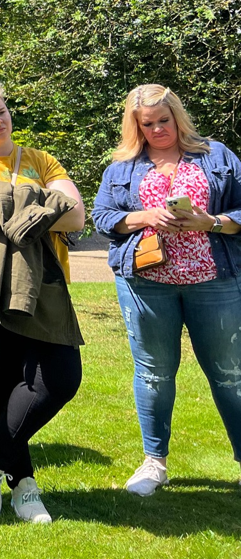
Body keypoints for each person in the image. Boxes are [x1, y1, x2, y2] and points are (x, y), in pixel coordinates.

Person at [0, 81, 85, 524]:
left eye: (1, 111)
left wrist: (10, 199)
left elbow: (78, 215)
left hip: (42, 285)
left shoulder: (41, 159)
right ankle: (24, 485)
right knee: (2, 382)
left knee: (60, 379)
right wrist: (43, 205)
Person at [92, 84, 241, 496]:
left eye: (164, 120)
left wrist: (210, 222)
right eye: (148, 123)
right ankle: (154, 463)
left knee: (230, 374)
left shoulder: (216, 156)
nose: (158, 129)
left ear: (178, 117)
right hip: (146, 283)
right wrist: (143, 216)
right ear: (135, 126)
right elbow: (103, 217)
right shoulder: (122, 167)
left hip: (214, 280)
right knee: (154, 373)